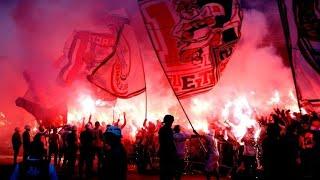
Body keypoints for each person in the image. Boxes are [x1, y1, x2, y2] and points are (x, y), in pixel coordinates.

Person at [158, 114, 177, 180]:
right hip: (167, 154)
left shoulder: (163, 129)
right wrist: (173, 151)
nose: (172, 123)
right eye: (171, 121)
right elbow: (169, 142)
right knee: (167, 173)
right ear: (168, 121)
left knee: (164, 172)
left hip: (164, 153)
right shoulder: (167, 130)